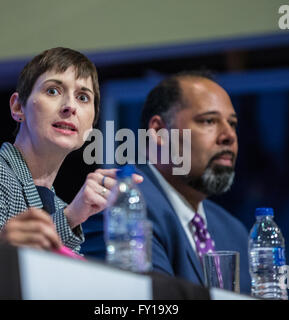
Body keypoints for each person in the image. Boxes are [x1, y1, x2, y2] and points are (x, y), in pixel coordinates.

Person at [0, 47, 142, 253]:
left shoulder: (63, 209)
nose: (71, 106)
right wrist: (69, 218)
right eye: (53, 91)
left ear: (92, 122)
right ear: (18, 107)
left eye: (83, 97)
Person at [82, 71, 250, 293]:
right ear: (160, 132)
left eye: (232, 124)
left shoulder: (233, 230)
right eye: (209, 121)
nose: (229, 135)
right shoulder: (118, 203)